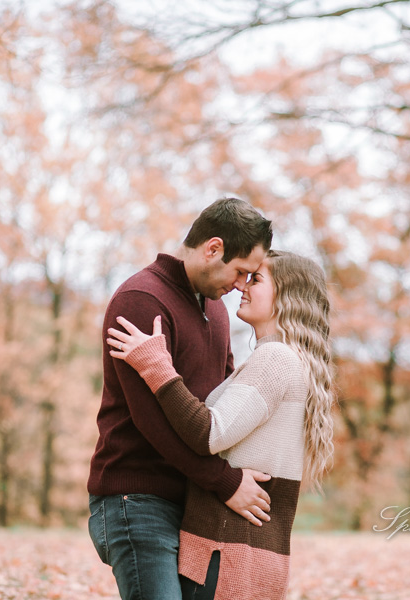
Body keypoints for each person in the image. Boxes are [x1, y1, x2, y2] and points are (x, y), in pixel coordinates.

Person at [107, 250, 335, 600]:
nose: (243, 285)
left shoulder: (274, 360)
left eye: (256, 279)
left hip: (225, 552)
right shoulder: (288, 361)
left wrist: (158, 367)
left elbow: (208, 433)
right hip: (250, 554)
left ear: (287, 296)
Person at [88, 198, 275, 600]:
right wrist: (225, 482)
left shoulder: (217, 310)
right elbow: (150, 421)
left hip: (194, 502)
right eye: (241, 271)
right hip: (136, 498)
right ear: (213, 248)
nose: (241, 285)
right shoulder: (141, 300)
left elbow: (223, 407)